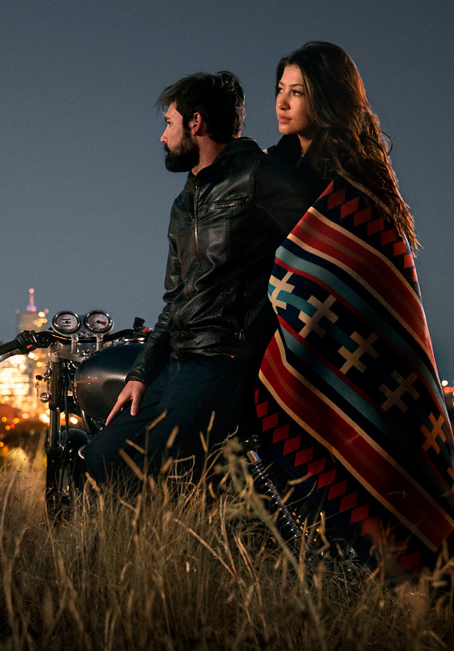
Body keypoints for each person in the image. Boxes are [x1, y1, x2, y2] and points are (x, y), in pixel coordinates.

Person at [258, 42, 454, 616]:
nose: (282, 102)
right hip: (304, 362)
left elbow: (374, 285)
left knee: (384, 478)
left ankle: (405, 609)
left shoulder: (358, 181)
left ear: (328, 98)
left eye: (298, 91)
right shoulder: (276, 169)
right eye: (280, 89)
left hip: (371, 369)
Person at [83, 71, 318, 488]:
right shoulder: (183, 202)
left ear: (196, 123)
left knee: (149, 465)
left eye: (168, 124)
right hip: (179, 363)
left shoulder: (258, 176)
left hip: (226, 361)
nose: (162, 138)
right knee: (102, 454)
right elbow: (174, 302)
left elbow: (327, 223)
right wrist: (140, 374)